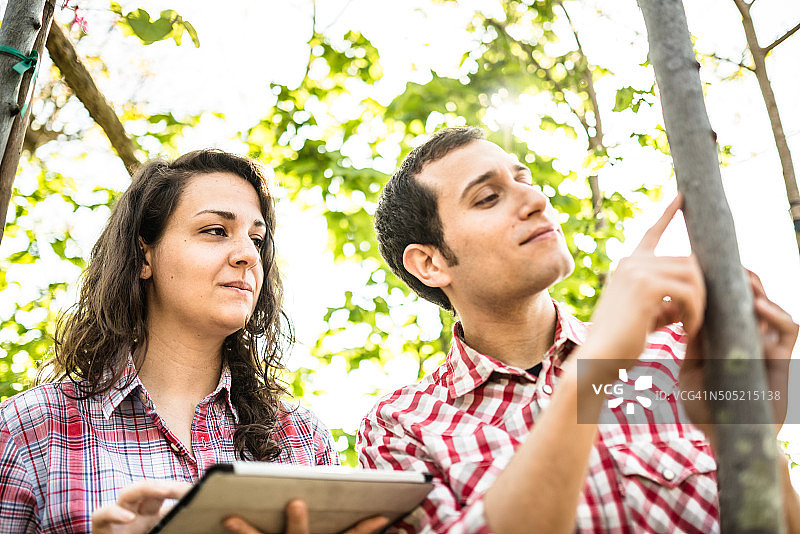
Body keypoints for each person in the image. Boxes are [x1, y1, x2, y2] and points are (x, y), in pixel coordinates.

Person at [357, 126, 800, 533]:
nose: (535, 200)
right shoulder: (400, 426)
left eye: (525, 180)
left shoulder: (679, 355)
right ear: (430, 263)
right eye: (488, 197)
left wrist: (751, 439)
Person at [0, 150, 387, 534]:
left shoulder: (302, 438)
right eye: (216, 231)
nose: (248, 255)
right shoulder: (31, 429)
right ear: (143, 255)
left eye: (257, 239)